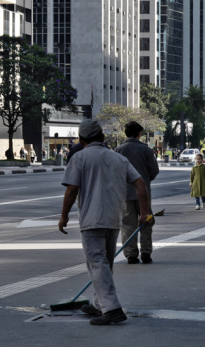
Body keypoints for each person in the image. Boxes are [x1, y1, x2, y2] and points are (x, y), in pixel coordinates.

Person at [59, 118, 152, 326]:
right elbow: (140, 183)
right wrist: (144, 212)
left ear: (81, 139)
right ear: (102, 137)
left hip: (92, 218)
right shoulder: (117, 158)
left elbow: (72, 189)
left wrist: (64, 216)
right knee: (105, 263)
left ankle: (112, 308)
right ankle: (98, 304)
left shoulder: (80, 157)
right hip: (114, 218)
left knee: (97, 262)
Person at [115, 121, 160, 265]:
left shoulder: (118, 150)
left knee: (128, 224)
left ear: (125, 133)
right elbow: (154, 170)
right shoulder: (146, 150)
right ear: (139, 134)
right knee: (146, 221)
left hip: (125, 194)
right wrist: (146, 180)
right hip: (144, 193)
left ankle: (131, 254)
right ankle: (146, 252)